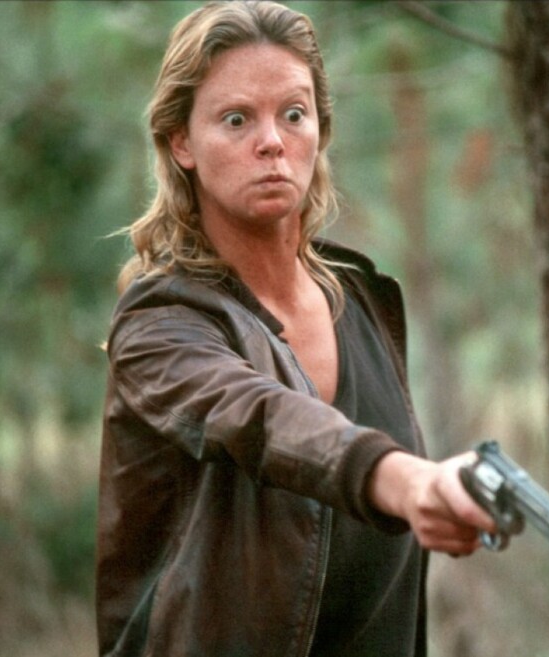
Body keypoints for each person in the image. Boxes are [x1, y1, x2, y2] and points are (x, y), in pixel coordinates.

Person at [95, 2, 512, 656]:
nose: (272, 142)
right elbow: (259, 418)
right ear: (181, 143)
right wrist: (405, 479)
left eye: (294, 114)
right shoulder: (160, 324)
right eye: (237, 119)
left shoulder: (363, 300)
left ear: (320, 128)